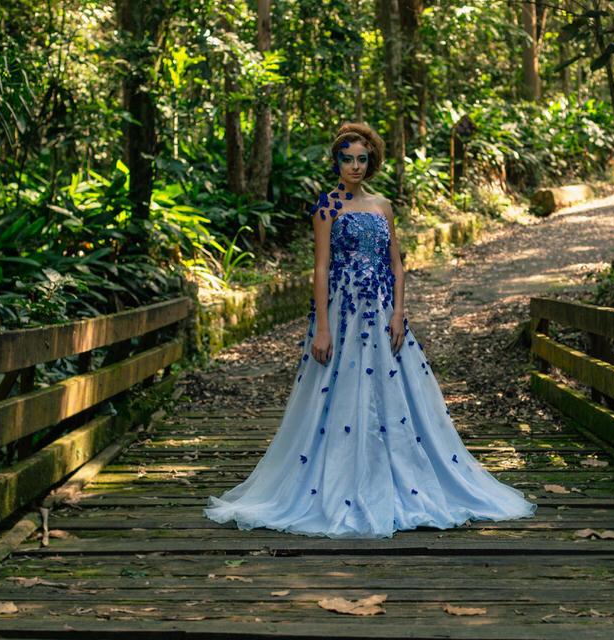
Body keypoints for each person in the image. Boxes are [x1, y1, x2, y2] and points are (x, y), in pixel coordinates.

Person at [203, 122, 536, 538]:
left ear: (371, 161)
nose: (355, 166)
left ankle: (401, 479)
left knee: (395, 395)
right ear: (337, 162)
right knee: (338, 397)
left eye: (362, 159)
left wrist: (399, 312)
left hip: (381, 313)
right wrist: (322, 328)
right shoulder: (326, 206)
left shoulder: (383, 205)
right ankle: (339, 486)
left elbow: (396, 263)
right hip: (342, 312)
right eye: (348, 159)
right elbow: (321, 267)